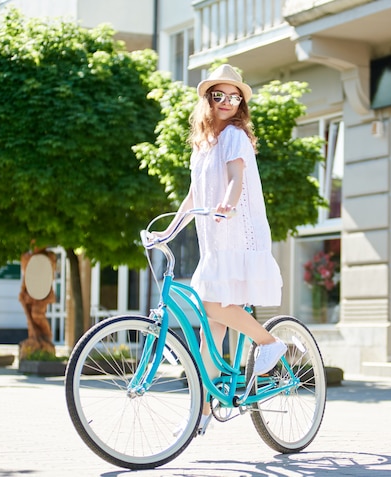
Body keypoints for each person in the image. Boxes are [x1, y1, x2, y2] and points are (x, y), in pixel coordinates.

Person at [151, 64, 286, 435]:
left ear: (241, 102)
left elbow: (236, 179)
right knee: (211, 331)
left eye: (234, 96)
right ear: (208, 99)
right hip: (215, 241)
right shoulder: (202, 145)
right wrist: (170, 230)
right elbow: (194, 194)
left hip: (239, 237)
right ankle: (206, 410)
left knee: (213, 305)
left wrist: (227, 204)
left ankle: (270, 343)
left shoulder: (235, 137)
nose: (227, 102)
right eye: (219, 95)